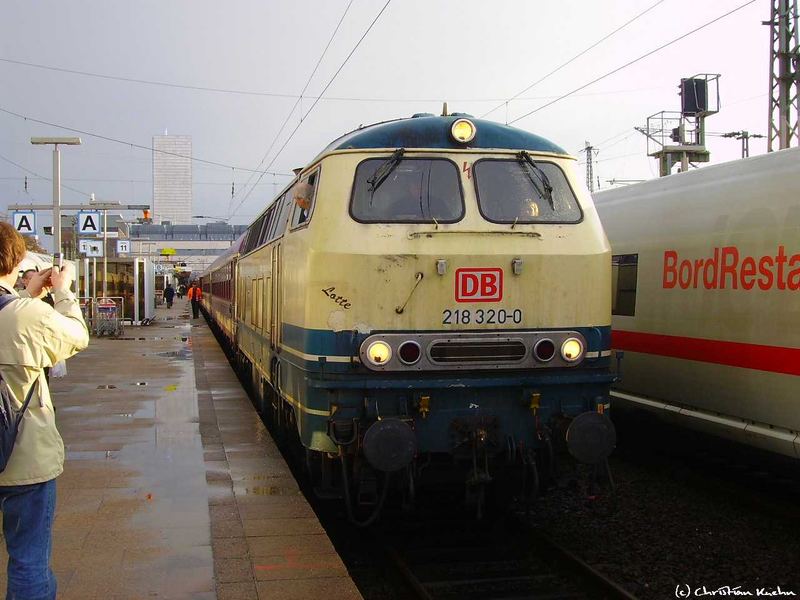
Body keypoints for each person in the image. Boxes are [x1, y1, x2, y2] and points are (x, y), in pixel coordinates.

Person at [0, 221, 89, 600]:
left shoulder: (22, 310)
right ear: (14, 261)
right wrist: (64, 292)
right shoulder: (23, 315)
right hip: (23, 461)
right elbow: (75, 336)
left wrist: (28, 296)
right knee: (28, 561)